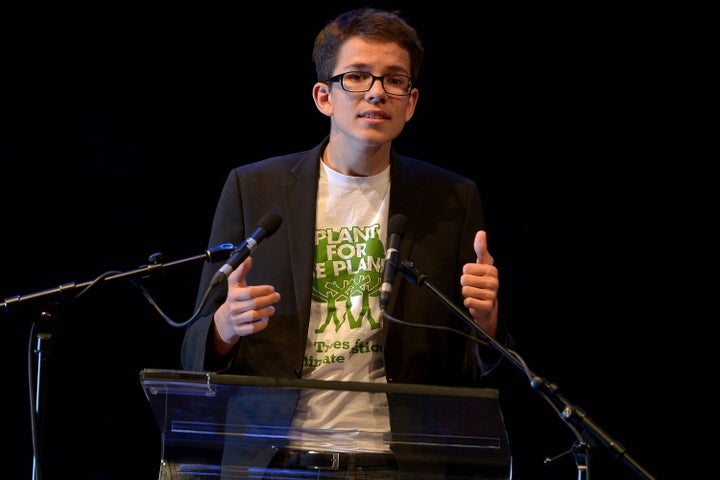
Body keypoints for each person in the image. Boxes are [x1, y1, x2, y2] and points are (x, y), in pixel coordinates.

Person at [181, 7, 511, 478]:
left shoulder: (451, 200)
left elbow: (478, 368)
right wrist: (223, 327)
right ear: (323, 96)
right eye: (356, 76)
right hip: (276, 463)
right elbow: (193, 348)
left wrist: (488, 322)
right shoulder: (253, 189)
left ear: (411, 103)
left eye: (395, 80)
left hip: (398, 464)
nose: (376, 91)